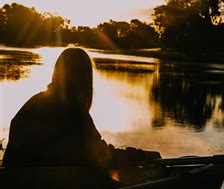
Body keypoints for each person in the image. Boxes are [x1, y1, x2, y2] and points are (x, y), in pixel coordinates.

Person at [2, 47, 160, 168]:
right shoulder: (72, 110)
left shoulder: (36, 101)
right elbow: (103, 156)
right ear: (85, 78)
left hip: (13, 184)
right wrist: (140, 156)